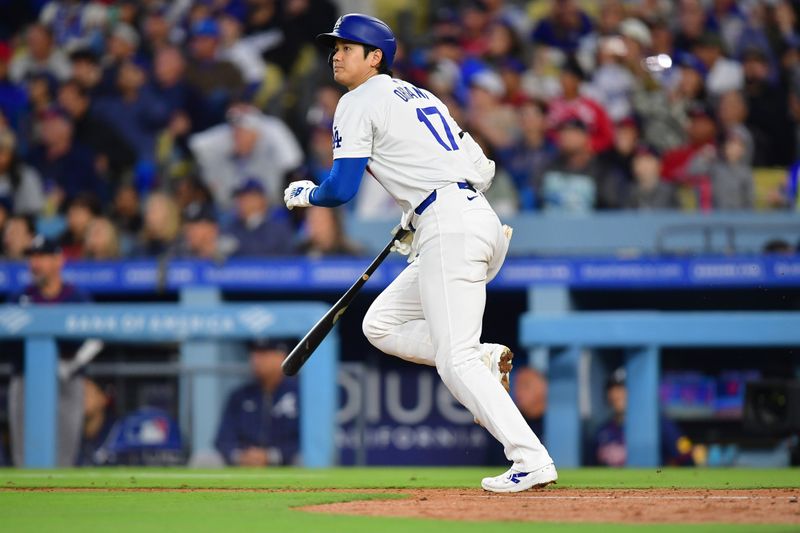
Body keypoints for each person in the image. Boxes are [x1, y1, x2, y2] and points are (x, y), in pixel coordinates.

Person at [284, 14, 556, 492]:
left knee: (454, 360)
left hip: (450, 228)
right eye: (335, 46)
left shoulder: (356, 100)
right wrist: (421, 203)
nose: (336, 54)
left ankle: (530, 458)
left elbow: (341, 189)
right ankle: (486, 359)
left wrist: (308, 194)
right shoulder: (422, 95)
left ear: (375, 58)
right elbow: (484, 169)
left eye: (348, 47)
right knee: (380, 324)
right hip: (475, 220)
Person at [214, 339, 299, 467]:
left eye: (263, 353)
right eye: (254, 353)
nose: (255, 359)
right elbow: (223, 439)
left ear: (281, 356)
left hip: (284, 463)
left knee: (304, 459)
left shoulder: (300, 394)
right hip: (242, 462)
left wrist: (271, 456)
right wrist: (240, 456)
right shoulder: (239, 395)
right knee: (204, 459)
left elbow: (308, 441)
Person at [593, 368, 694, 467]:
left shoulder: (660, 424)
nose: (617, 394)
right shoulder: (602, 431)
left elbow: (686, 458)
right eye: (613, 389)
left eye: (623, 388)